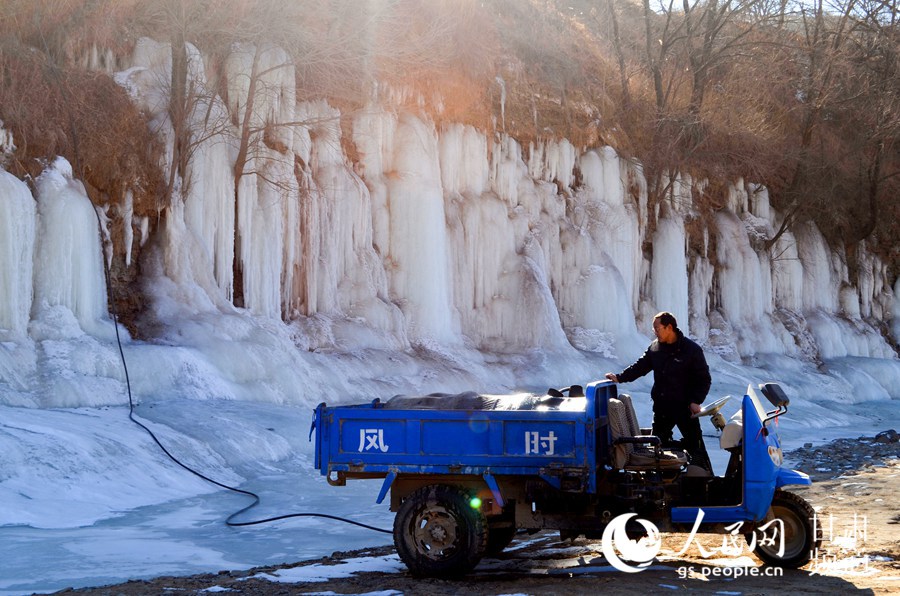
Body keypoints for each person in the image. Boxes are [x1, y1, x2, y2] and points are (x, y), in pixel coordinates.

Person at [605, 312, 713, 473]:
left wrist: (696, 400)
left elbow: (704, 379)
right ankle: (663, 484)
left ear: (669, 327)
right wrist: (619, 378)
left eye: (657, 328)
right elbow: (640, 367)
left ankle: (705, 480)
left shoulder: (691, 350)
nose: (655, 332)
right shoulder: (655, 348)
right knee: (658, 446)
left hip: (685, 408)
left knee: (695, 445)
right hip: (662, 408)